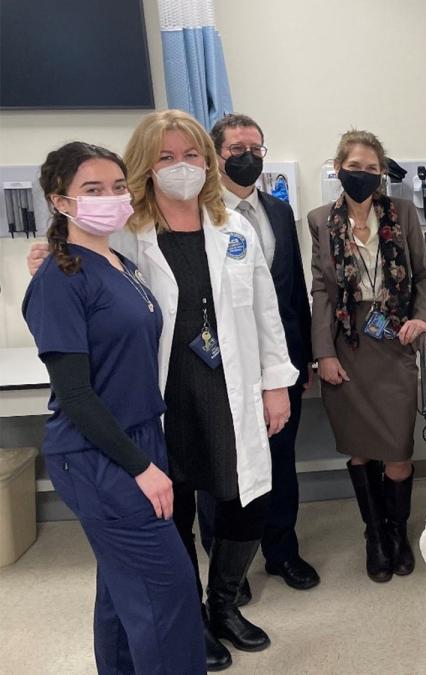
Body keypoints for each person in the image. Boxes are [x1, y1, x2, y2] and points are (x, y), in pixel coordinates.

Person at [26, 110, 299, 668]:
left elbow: (267, 313)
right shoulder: (125, 230)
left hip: (232, 384)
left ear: (209, 161)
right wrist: (44, 260)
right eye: (166, 157)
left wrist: (277, 383)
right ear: (146, 167)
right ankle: (191, 615)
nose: (182, 167)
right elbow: (80, 282)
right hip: (164, 392)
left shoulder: (234, 227)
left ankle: (225, 605)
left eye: (193, 155)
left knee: (243, 499)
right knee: (172, 512)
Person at [22, 142, 205, 674]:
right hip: (99, 454)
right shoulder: (60, 281)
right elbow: (76, 396)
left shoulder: (119, 262)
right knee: (167, 594)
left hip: (138, 438)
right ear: (61, 202)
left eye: (118, 186)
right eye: (92, 190)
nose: (110, 198)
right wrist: (141, 468)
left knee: (124, 591)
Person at [198, 113, 319, 593]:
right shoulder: (199, 215)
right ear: (215, 155)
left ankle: (281, 552)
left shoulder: (278, 211)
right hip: (220, 365)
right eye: (236, 150)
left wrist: (302, 358)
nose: (247, 157)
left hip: (278, 362)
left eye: (256, 149)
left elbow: (294, 295)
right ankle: (229, 568)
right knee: (222, 468)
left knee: (279, 462)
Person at [309, 129, 426, 583]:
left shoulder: (402, 214)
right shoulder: (320, 219)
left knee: (398, 450)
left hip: (394, 337)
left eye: (370, 168)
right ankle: (375, 535)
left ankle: (398, 531)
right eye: (353, 167)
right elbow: (321, 289)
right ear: (338, 167)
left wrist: (420, 319)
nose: (361, 175)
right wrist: (323, 352)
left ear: (382, 172)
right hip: (347, 340)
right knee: (361, 452)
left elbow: (423, 275)